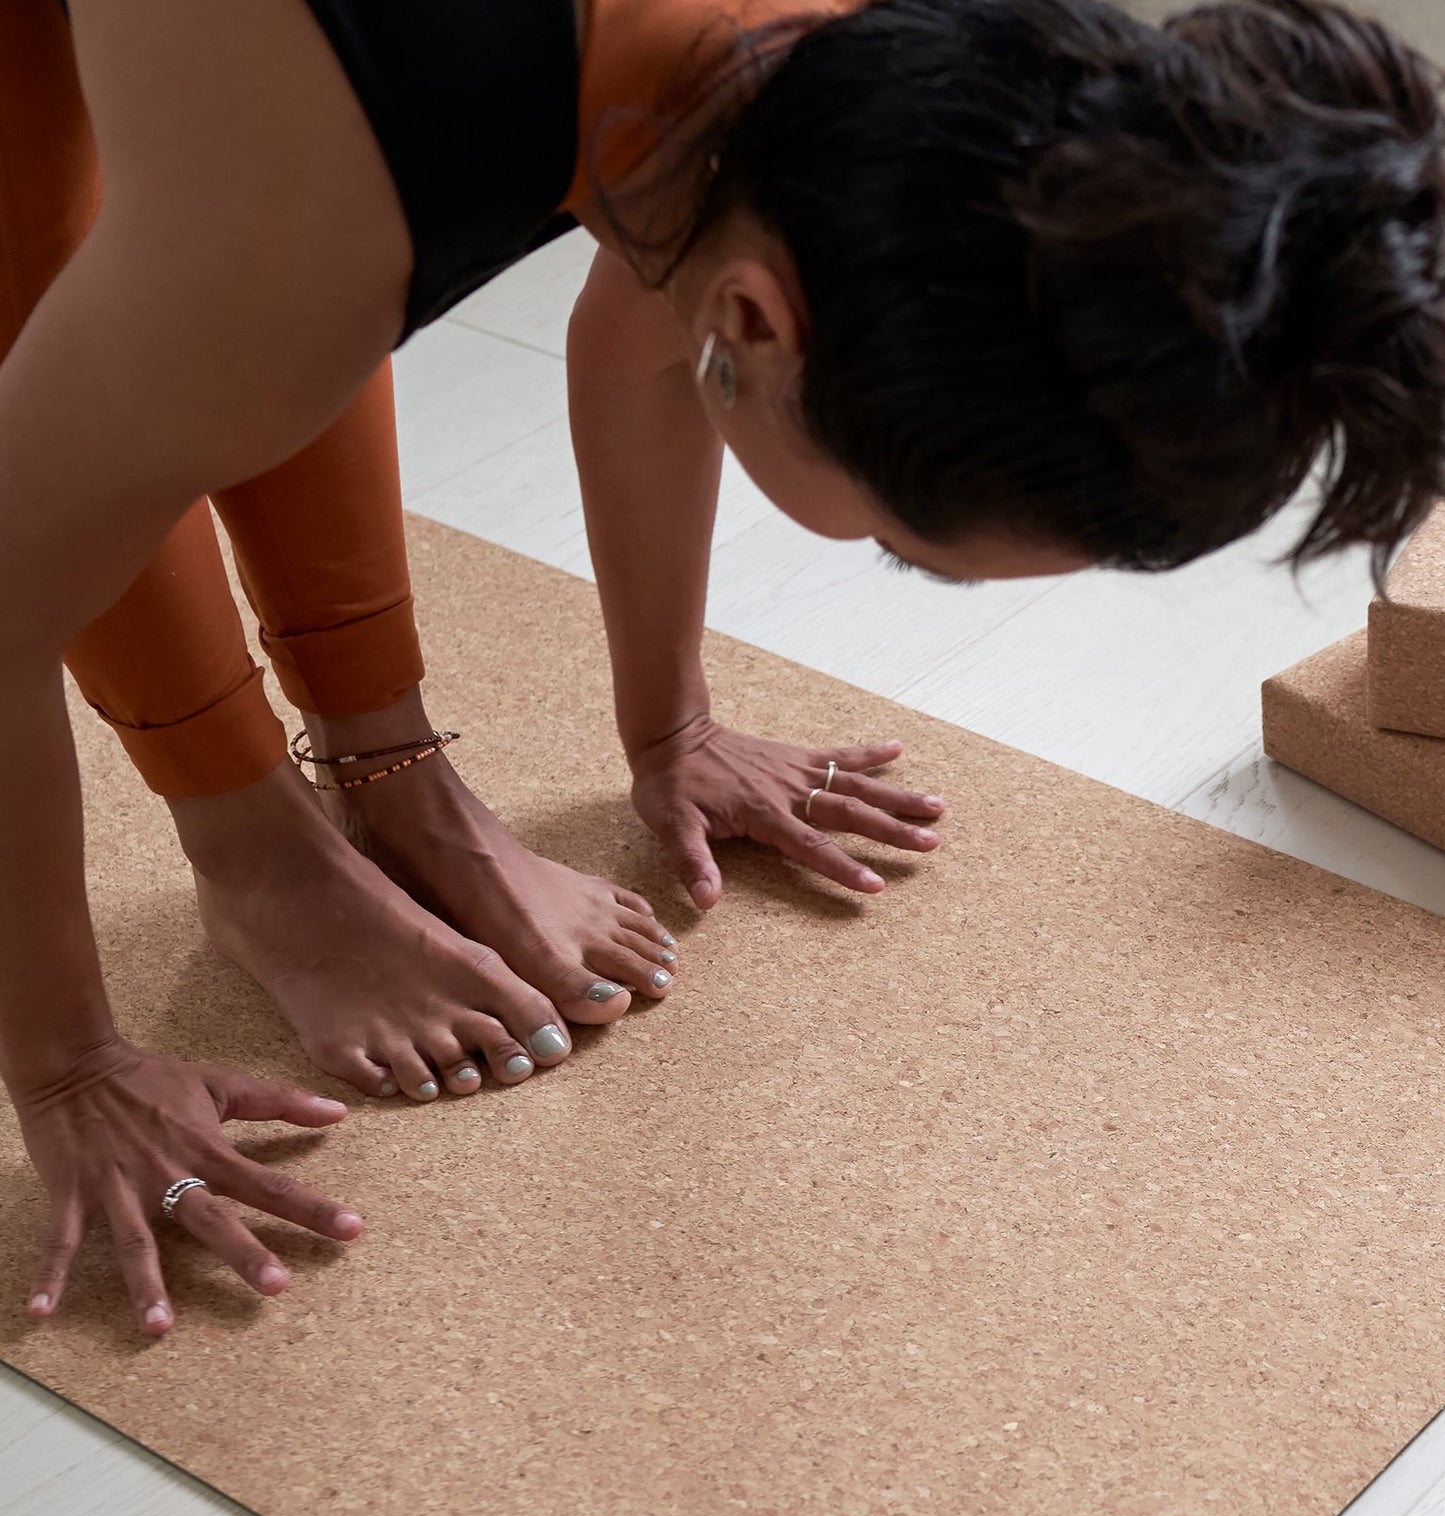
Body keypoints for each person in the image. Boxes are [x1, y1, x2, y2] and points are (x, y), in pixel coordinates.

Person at [2, 0, 1442, 1336]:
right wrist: (67, 1064)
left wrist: (667, 724)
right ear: (755, 324)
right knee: (157, 305)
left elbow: (657, 300)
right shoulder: (300, 246)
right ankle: (254, 845)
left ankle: (388, 773)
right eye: (905, 545)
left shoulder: (851, 71)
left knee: (270, 268)